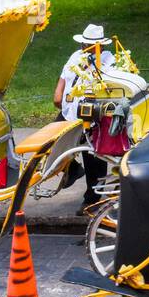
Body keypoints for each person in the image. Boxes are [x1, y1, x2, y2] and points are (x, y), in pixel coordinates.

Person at [53, 24, 116, 207]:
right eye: (84, 45)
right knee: (53, 143)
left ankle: (92, 199)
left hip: (91, 115)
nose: (85, 48)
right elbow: (64, 76)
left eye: (89, 45)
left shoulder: (107, 61)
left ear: (100, 46)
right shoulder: (76, 56)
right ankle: (73, 169)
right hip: (70, 111)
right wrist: (58, 94)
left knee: (92, 156)